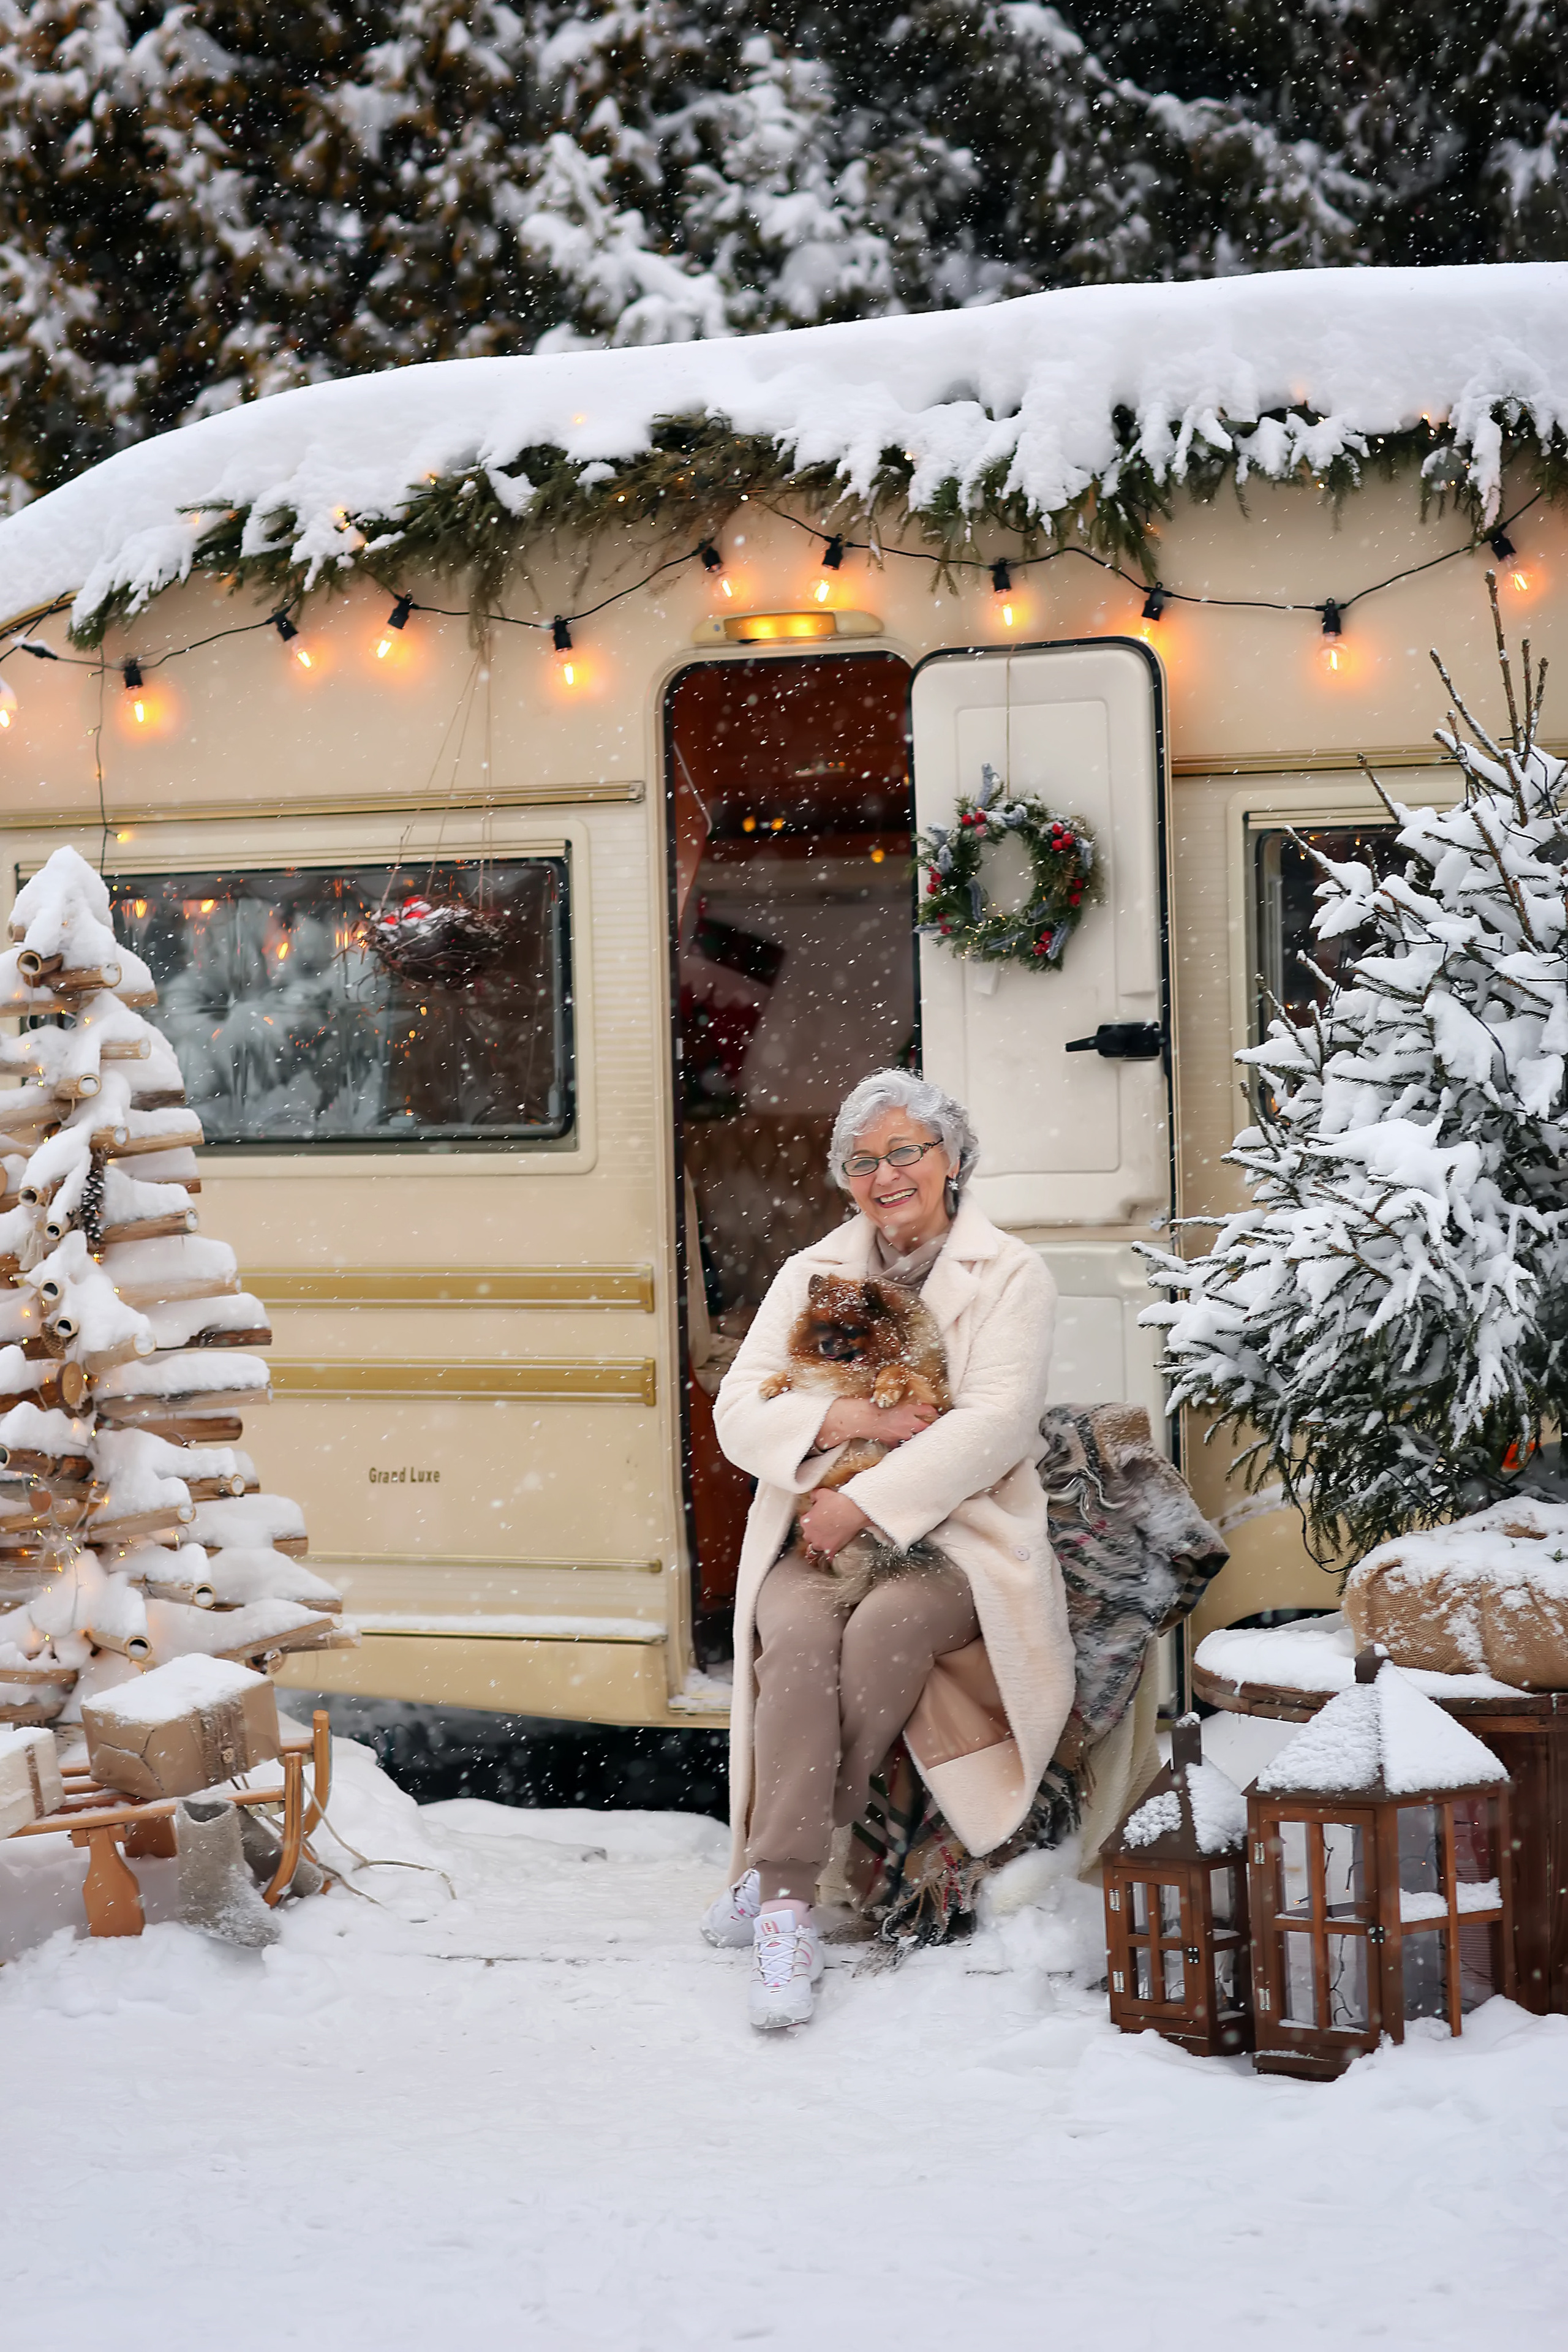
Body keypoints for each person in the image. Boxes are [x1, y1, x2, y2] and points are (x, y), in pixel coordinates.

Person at [705, 1068, 1075, 2028]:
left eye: (907, 1151)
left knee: (885, 1630)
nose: (886, 1176)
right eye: (863, 1161)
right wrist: (849, 1422)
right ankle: (787, 1909)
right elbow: (739, 1410)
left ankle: (773, 1863)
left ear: (953, 1160)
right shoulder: (811, 1270)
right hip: (816, 1531)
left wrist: (864, 1505)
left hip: (959, 1537)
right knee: (794, 1638)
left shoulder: (1011, 1273)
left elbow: (994, 1424)